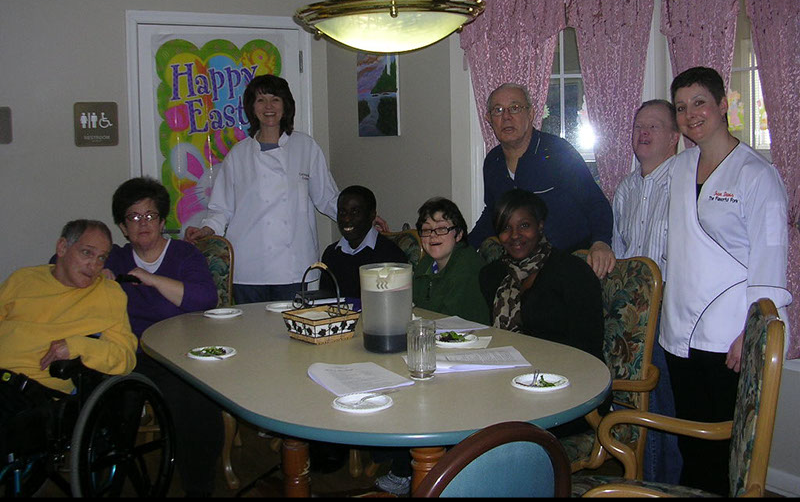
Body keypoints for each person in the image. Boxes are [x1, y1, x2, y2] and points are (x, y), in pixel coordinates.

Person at [662, 66, 791, 495]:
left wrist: (749, 333)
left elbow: (770, 262)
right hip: (679, 332)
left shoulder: (756, 174)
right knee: (691, 445)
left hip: (727, 338)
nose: (690, 114)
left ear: (722, 105)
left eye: (699, 102)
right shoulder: (678, 168)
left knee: (724, 450)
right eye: (681, 107)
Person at [104, 177, 222, 497]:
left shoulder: (184, 255)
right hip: (133, 351)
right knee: (111, 396)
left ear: (161, 220)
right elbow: (66, 266)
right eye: (133, 217)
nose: (143, 223)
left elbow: (203, 299)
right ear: (122, 226)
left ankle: (199, 486)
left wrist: (150, 279)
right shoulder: (116, 258)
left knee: (194, 402)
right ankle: (109, 480)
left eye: (150, 216)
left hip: (178, 351)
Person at [185, 74, 339, 304]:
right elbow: (221, 209)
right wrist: (205, 230)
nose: (268, 106)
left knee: (294, 334)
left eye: (275, 99)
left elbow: (327, 198)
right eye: (260, 100)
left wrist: (363, 221)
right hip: (249, 269)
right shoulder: (238, 154)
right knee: (253, 335)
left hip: (295, 267)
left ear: (286, 105)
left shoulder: (305, 147)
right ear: (251, 108)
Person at [479, 189, 606, 436]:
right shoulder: (492, 276)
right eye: (506, 228)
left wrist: (533, 380)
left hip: (569, 392)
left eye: (524, 225)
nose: (514, 236)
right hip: (508, 387)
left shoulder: (572, 273)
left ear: (540, 226)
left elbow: (588, 348)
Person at [467, 82, 616, 279]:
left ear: (531, 113)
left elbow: (595, 202)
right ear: (489, 119)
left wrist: (601, 242)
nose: (506, 117)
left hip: (568, 264)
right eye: (498, 110)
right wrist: (463, 248)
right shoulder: (493, 162)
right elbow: (493, 213)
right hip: (521, 266)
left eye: (515, 108)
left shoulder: (558, 152)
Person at [0, 220, 137, 431]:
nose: (94, 265)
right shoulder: (23, 279)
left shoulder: (109, 294)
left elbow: (124, 357)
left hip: (31, 392)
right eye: (87, 253)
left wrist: (77, 346)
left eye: (102, 257)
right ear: (62, 247)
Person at [612, 99, 682, 484]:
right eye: (639, 124)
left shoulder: (685, 183)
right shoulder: (625, 188)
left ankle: (662, 485)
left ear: (674, 137)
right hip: (635, 316)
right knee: (641, 405)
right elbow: (621, 254)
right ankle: (643, 481)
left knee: (663, 408)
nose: (644, 132)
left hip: (672, 311)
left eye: (654, 126)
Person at [320, 185, 407, 299]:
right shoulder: (331, 254)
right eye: (342, 212)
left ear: (372, 215)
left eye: (355, 212)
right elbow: (324, 299)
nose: (347, 219)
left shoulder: (390, 254)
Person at [412, 197, 489, 325]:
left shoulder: (468, 267)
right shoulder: (426, 263)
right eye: (426, 230)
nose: (432, 235)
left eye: (442, 228)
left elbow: (453, 322)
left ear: (458, 234)